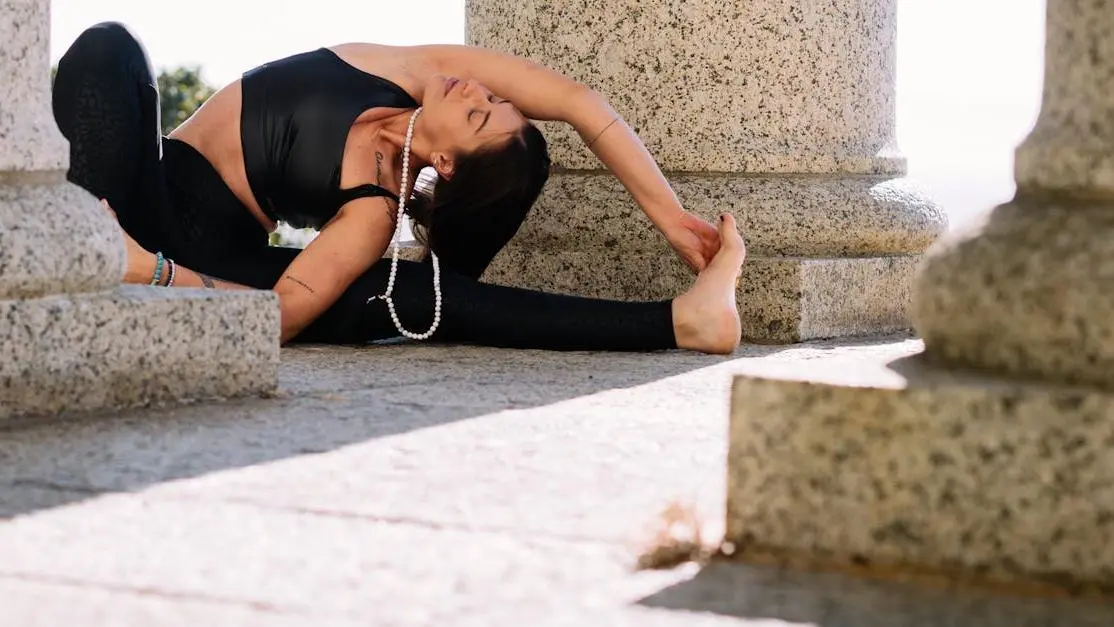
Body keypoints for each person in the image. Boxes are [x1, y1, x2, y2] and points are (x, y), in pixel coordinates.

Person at [51, 21, 746, 354]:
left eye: (478, 113)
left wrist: (155, 269)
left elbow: (283, 315)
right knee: (110, 50)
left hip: (197, 250)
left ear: (445, 164)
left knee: (403, 296)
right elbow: (582, 102)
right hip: (147, 185)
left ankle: (681, 320)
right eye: (492, 98)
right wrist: (672, 218)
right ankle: (80, 256)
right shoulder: (408, 69)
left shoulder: (370, 214)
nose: (478, 89)